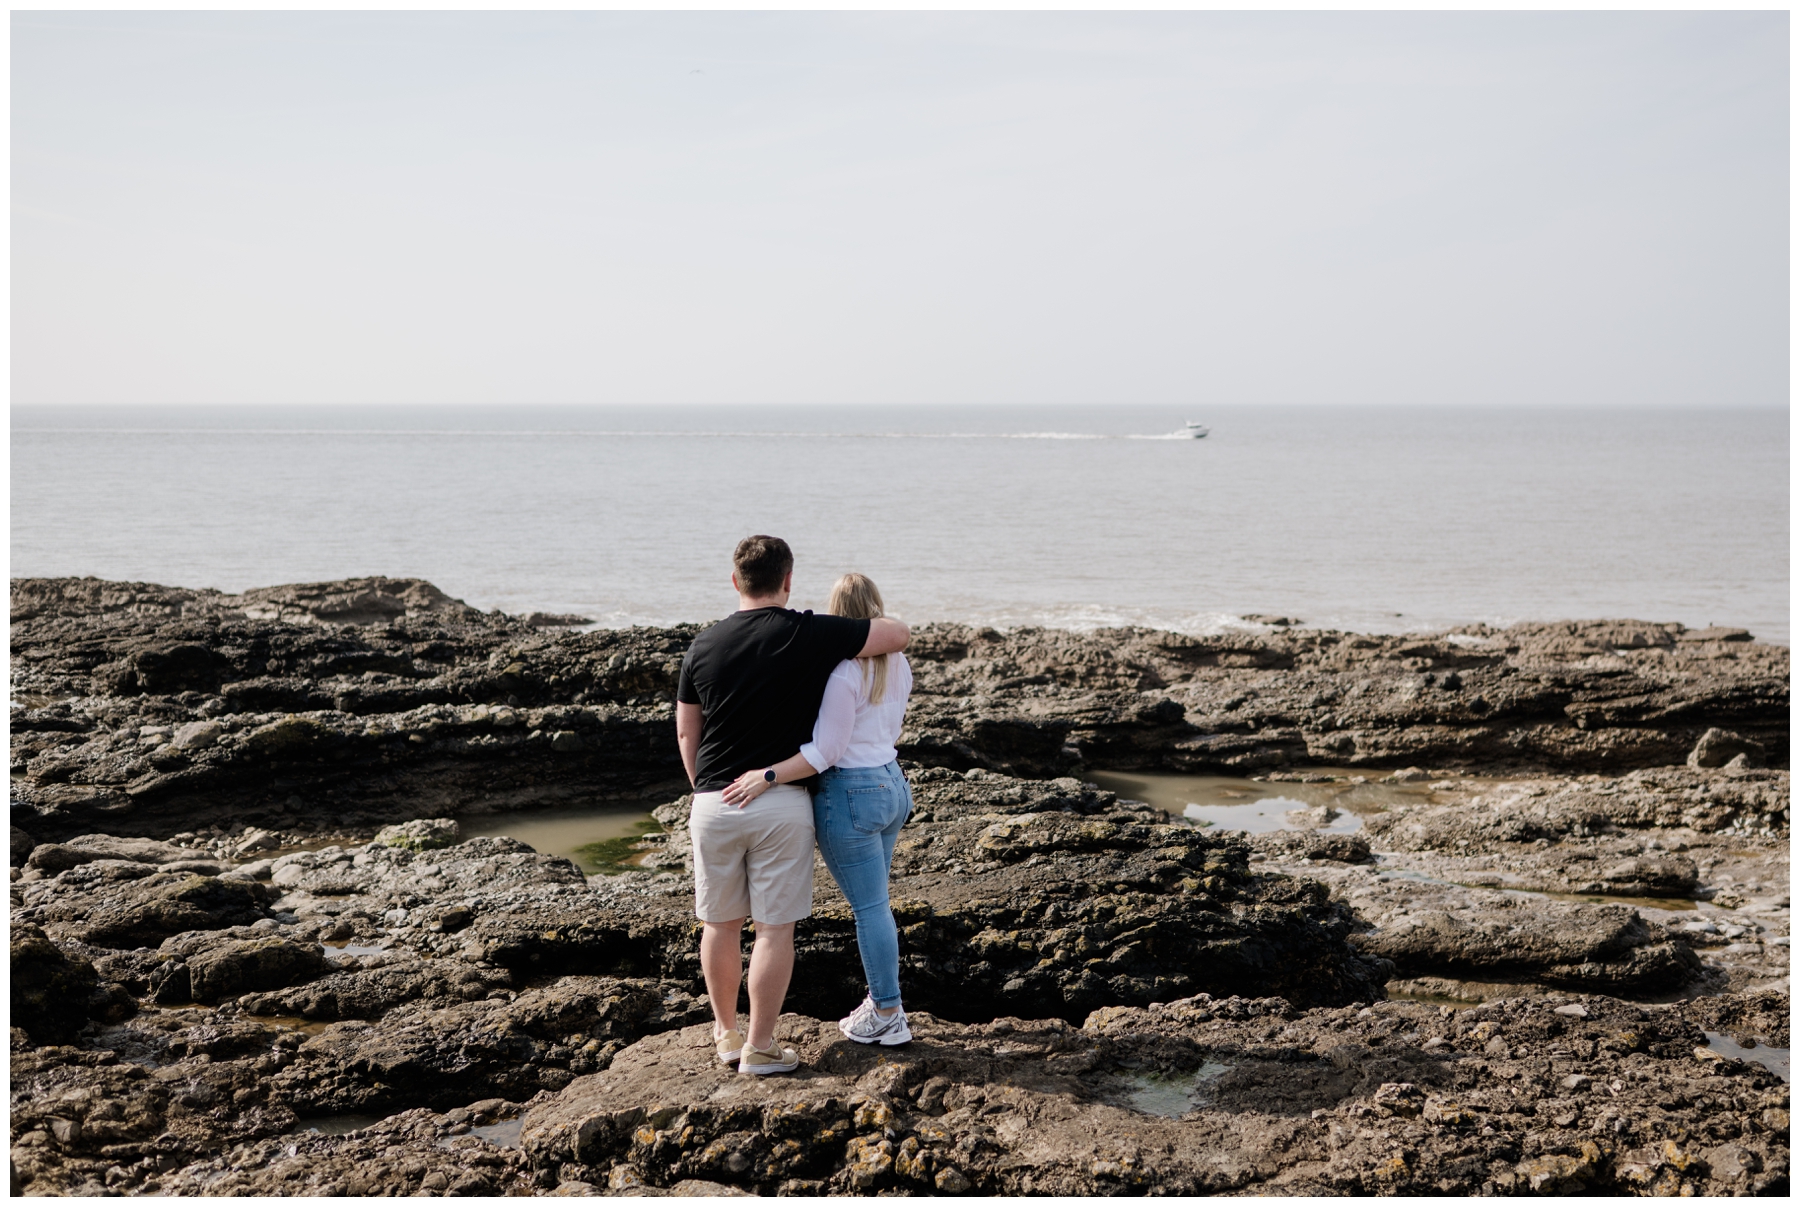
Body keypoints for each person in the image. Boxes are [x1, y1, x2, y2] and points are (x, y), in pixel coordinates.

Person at [676, 537, 909, 1076]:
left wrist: (704, 787)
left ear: (735, 581)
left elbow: (688, 729)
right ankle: (761, 1046)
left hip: (713, 800)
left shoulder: (702, 646)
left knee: (719, 924)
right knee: (774, 930)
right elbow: (898, 634)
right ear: (788, 581)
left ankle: (725, 1035)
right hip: (781, 802)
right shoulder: (811, 633)